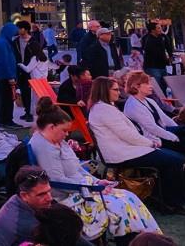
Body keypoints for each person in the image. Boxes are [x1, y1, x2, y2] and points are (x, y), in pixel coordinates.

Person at [29, 99, 160, 245]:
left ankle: (143, 241)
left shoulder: (56, 141)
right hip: (71, 197)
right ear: (52, 127)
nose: (67, 134)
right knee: (122, 206)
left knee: (130, 197)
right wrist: (92, 187)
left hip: (82, 190)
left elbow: (77, 168)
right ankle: (135, 242)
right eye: (64, 130)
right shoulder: (44, 148)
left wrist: (97, 181)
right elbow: (57, 181)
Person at [87, 77, 185, 215]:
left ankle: (166, 197)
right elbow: (127, 135)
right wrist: (150, 143)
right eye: (115, 89)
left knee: (176, 158)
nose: (119, 92)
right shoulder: (104, 110)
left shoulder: (104, 108)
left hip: (126, 150)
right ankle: (172, 202)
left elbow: (128, 134)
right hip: (122, 153)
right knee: (175, 160)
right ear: (104, 91)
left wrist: (149, 142)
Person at [122, 72, 185, 195]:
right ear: (136, 86)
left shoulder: (149, 101)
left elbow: (165, 119)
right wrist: (173, 137)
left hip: (161, 133)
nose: (151, 86)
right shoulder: (133, 106)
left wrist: (179, 131)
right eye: (147, 83)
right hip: (152, 139)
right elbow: (151, 128)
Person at [0, 166, 93, 246]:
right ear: (24, 195)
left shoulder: (18, 199)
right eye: (41, 194)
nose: (49, 198)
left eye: (49, 191)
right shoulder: (27, 225)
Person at [0, 21, 19, 128]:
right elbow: (4, 61)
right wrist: (10, 76)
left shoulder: (4, 42)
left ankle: (6, 120)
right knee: (7, 99)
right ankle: (7, 120)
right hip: (5, 76)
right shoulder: (3, 43)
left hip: (5, 75)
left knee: (7, 99)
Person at [141, 22, 171, 89]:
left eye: (160, 28)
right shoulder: (147, 39)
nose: (161, 29)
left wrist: (170, 57)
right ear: (153, 30)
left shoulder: (163, 37)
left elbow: (168, 47)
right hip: (152, 67)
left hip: (163, 66)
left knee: (164, 85)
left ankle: (164, 95)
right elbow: (146, 50)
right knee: (156, 87)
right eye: (158, 28)